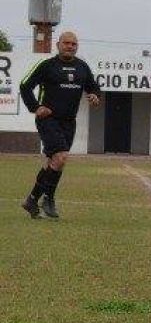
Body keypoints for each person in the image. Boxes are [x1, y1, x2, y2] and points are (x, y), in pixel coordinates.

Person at [19, 31, 101, 219]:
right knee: (61, 157)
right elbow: (25, 85)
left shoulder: (82, 67)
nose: (70, 46)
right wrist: (35, 107)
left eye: (73, 44)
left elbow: (93, 87)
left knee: (54, 162)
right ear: (58, 45)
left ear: (76, 47)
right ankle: (48, 199)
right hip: (48, 120)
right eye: (66, 43)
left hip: (69, 122)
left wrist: (95, 95)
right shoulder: (47, 66)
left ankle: (32, 200)